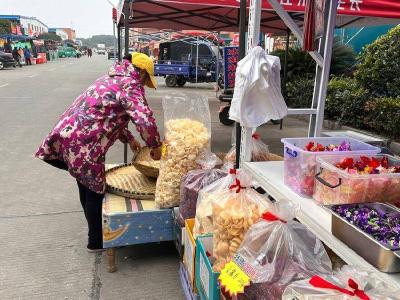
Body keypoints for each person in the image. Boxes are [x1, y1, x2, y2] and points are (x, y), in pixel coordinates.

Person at [35, 53, 162, 252]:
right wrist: (155, 146)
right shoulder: (130, 84)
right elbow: (143, 119)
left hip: (68, 137)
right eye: (147, 80)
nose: (145, 85)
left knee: (84, 186)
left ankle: (96, 235)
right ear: (142, 73)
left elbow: (108, 115)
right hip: (85, 144)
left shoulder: (109, 78)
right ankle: (96, 242)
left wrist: (129, 139)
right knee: (94, 190)